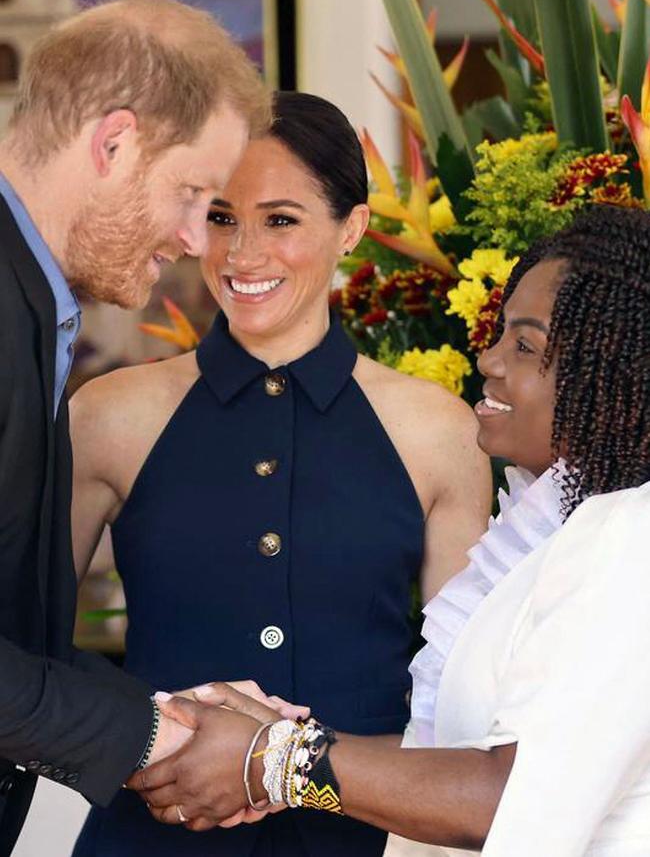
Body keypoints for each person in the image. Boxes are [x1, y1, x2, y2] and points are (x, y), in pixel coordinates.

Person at [138, 203, 650, 857]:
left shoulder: (631, 538)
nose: (488, 358)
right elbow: (458, 765)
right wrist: (269, 741)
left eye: (525, 345)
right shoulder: (559, 527)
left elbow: (505, 796)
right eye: (497, 332)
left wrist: (275, 757)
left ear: (613, 372)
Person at [69, 90, 492, 856]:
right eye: (222, 217)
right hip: (152, 836)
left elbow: (460, 709)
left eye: (281, 220)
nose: (242, 254)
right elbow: (18, 654)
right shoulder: (109, 416)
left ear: (352, 229)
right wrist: (147, 742)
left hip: (360, 843)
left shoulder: (439, 431)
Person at [0, 0, 268, 851]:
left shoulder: (35, 302)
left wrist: (158, 712)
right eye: (192, 192)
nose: (198, 240)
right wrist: (162, 738)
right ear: (113, 144)